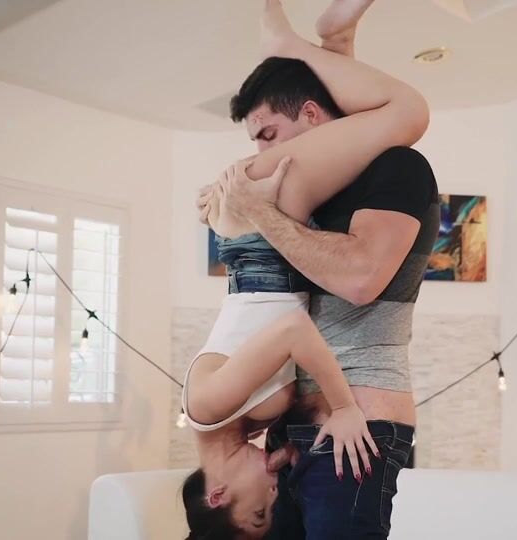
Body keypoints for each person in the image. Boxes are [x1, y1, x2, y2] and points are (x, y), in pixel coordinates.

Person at [183, 0, 434, 538]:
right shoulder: (319, 192)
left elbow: (358, 280)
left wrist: (255, 212)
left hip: (359, 425)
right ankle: (335, 41)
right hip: (299, 439)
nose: (258, 151)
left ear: (313, 117)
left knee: (409, 111)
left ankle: (291, 46)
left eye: (267, 134)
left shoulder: (400, 168)